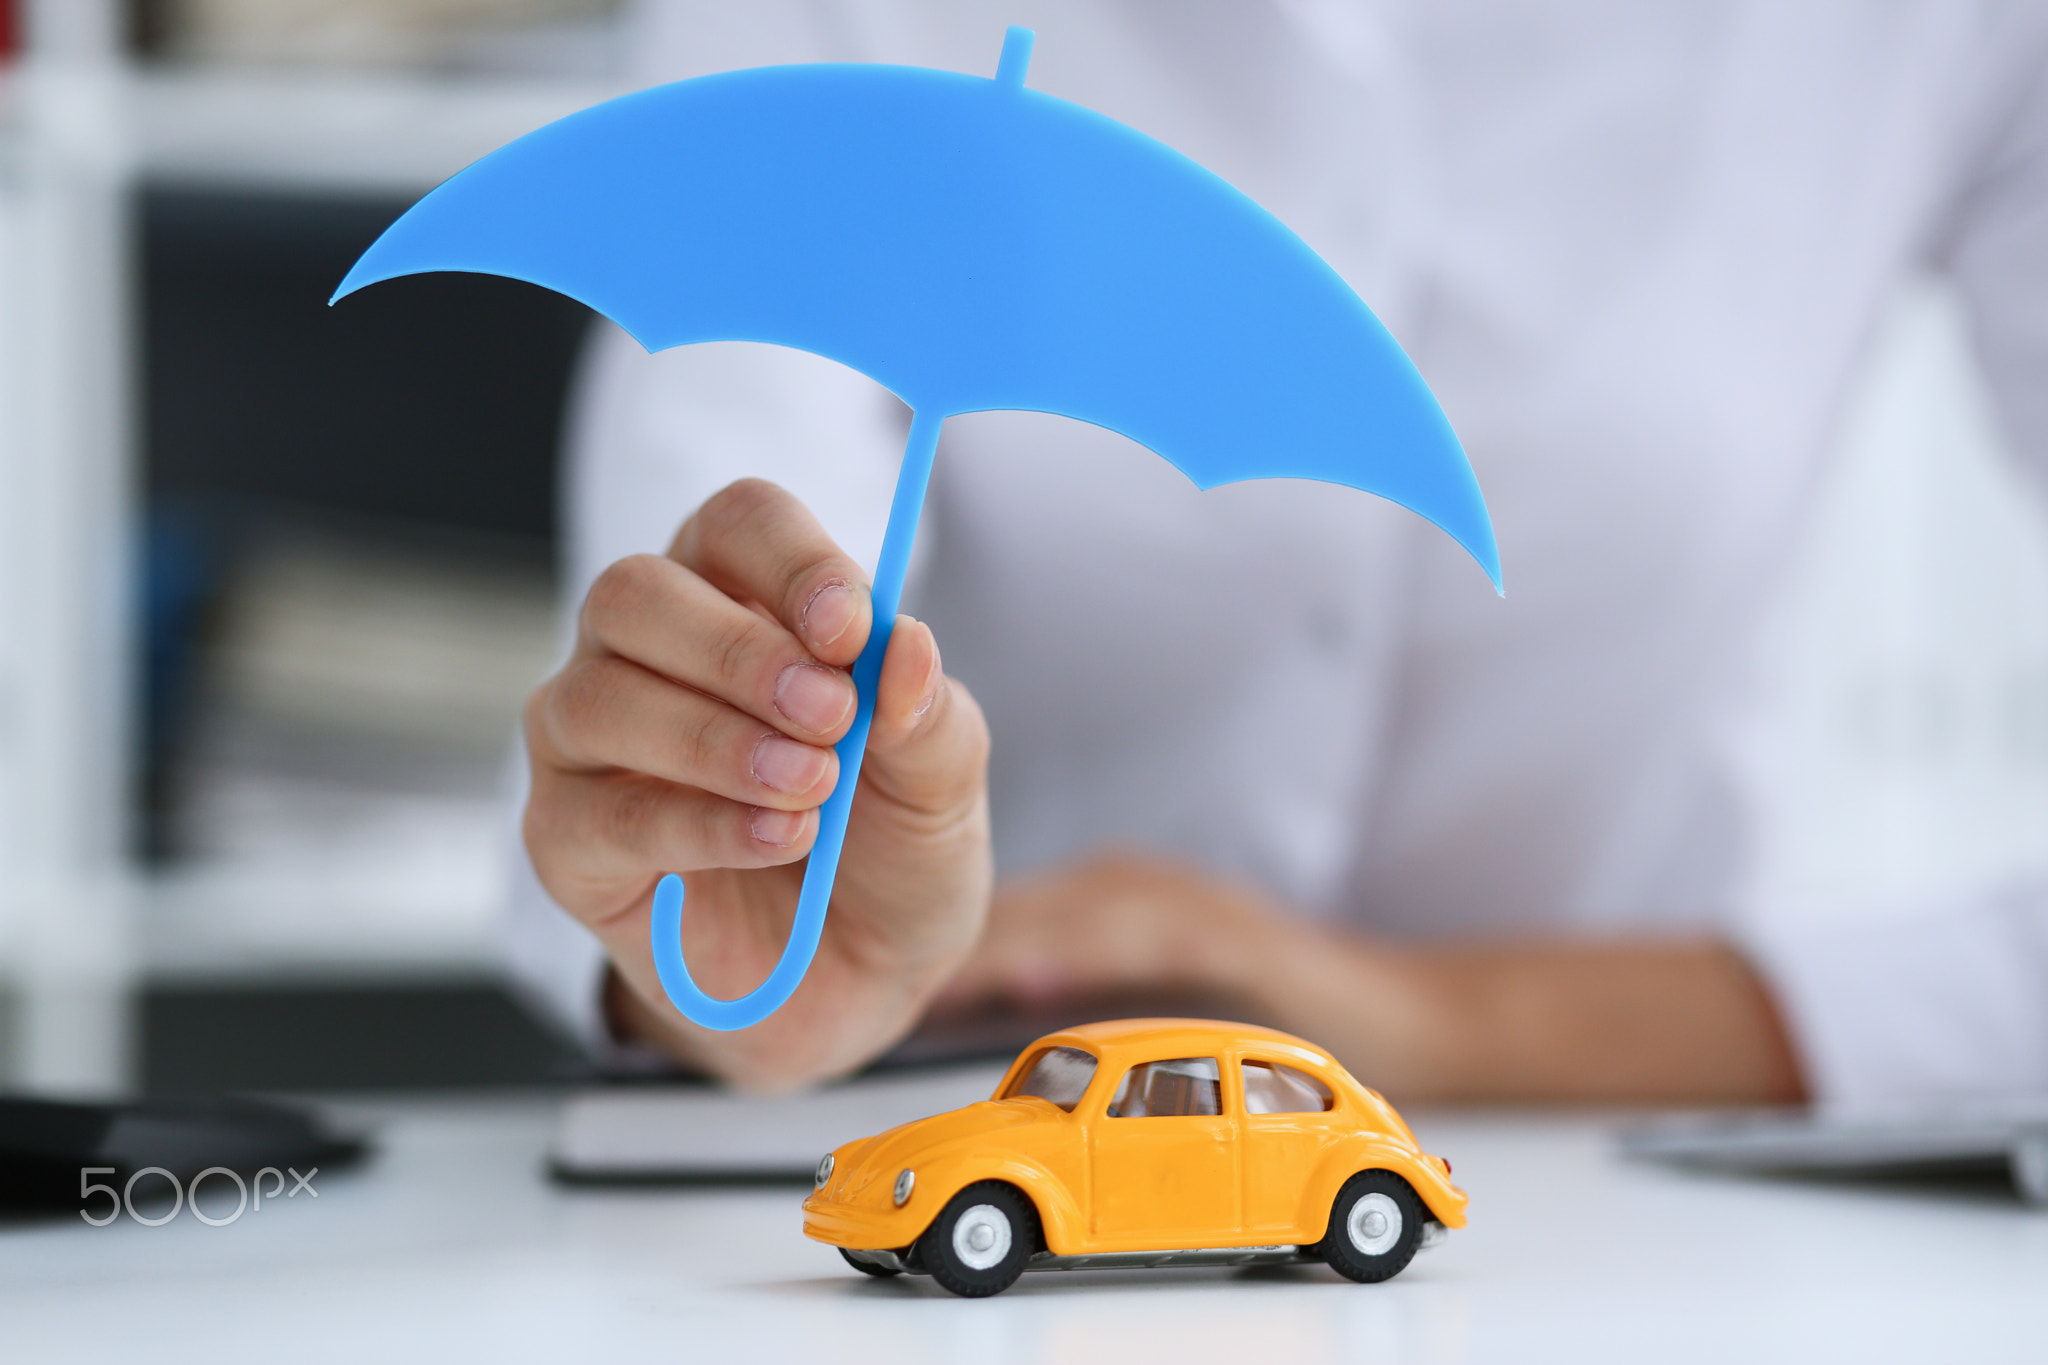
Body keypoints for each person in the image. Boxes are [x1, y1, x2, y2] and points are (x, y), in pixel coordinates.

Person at [507, 0, 2048, 1103]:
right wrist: (724, 854)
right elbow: (705, 559)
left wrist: (1440, 1027)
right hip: (931, 1125)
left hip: (1645, 1208)